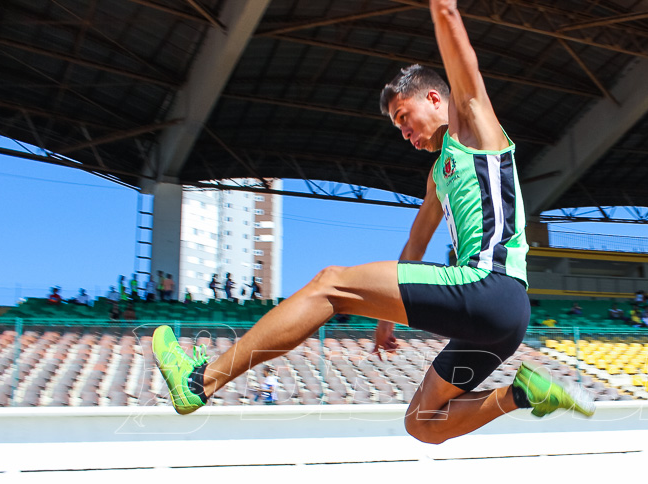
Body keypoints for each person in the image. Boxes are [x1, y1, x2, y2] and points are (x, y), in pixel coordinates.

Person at [152, 0, 594, 442]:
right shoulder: (439, 174)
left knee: (330, 284)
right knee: (422, 423)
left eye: (404, 118)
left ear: (435, 98)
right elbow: (416, 244)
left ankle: (200, 380)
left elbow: (450, 21)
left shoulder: (476, 129)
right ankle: (521, 394)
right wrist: (387, 318)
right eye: (397, 126)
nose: (403, 133)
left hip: (488, 286)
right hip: (501, 320)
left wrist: (442, 7)